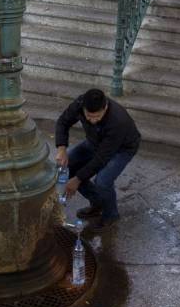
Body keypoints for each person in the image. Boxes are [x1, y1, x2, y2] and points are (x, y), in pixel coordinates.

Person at [55, 88, 141, 230]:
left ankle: (111, 215)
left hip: (122, 148)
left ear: (105, 107)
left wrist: (77, 179)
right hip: (94, 141)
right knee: (68, 166)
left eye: (97, 117)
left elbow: (102, 158)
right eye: (89, 116)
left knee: (103, 181)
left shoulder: (118, 121)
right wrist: (61, 148)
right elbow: (63, 122)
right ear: (83, 108)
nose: (93, 120)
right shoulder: (79, 104)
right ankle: (97, 203)